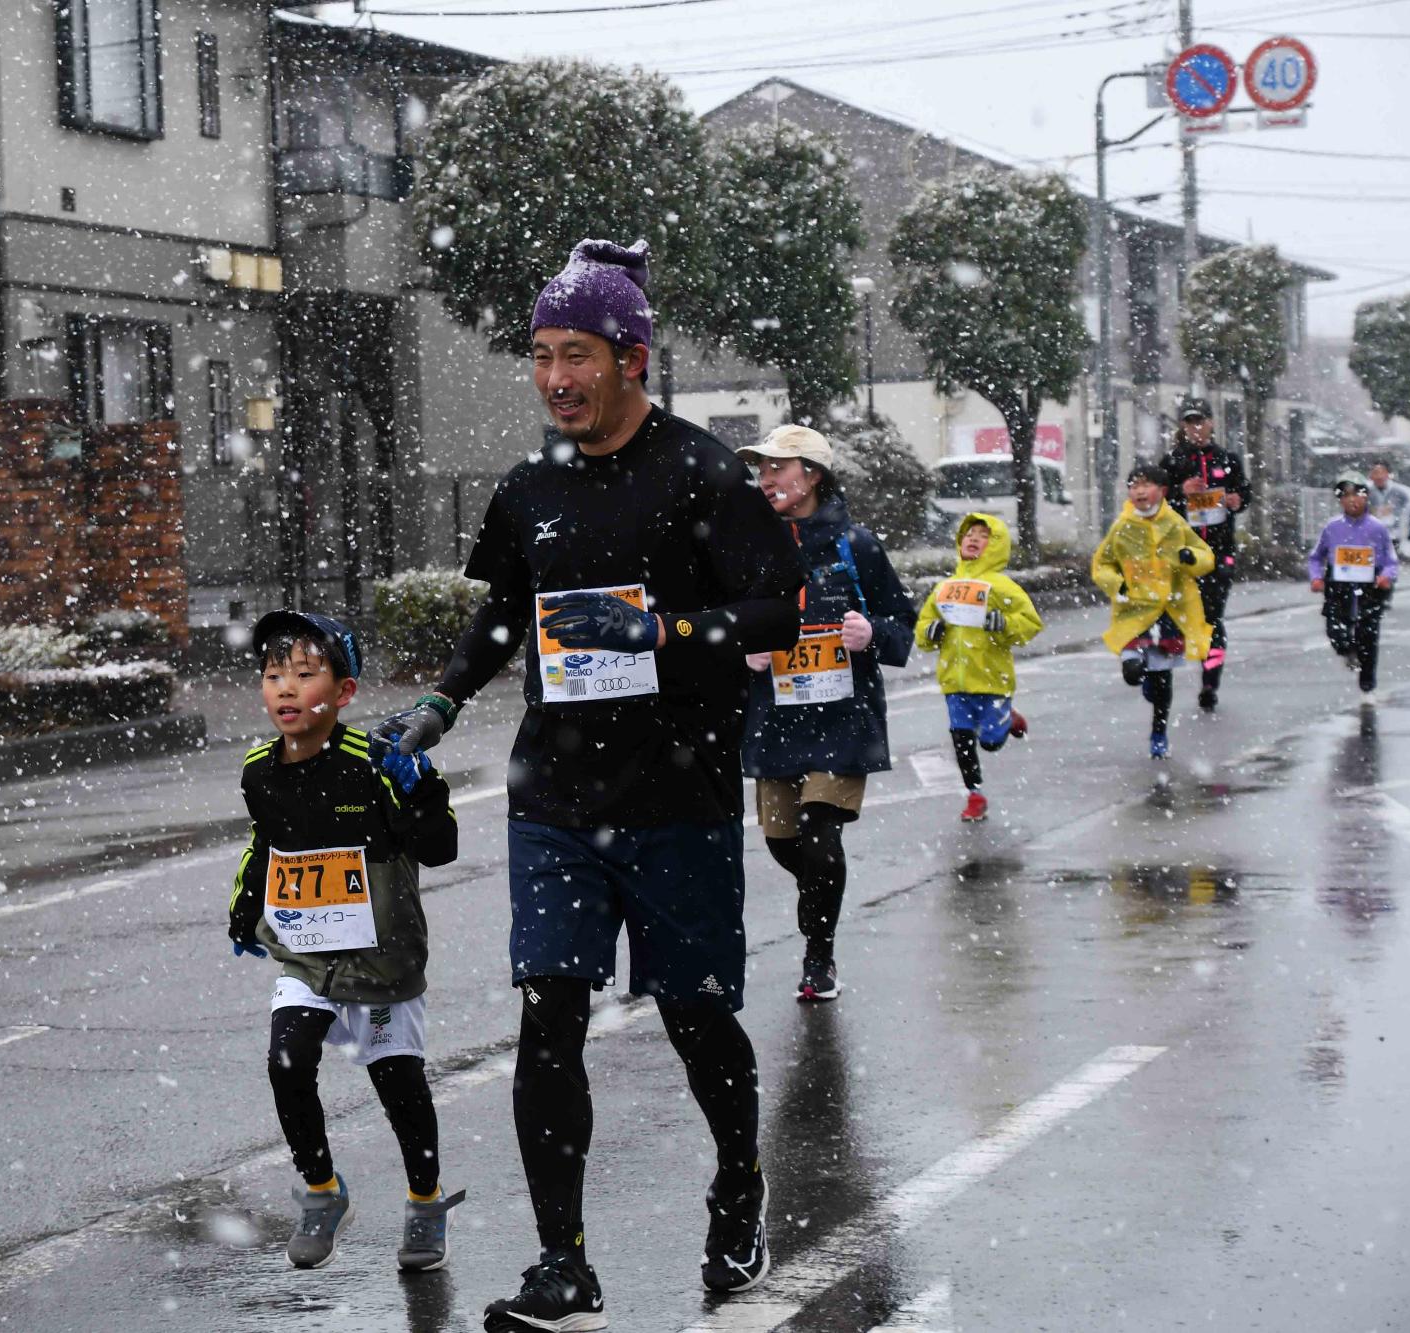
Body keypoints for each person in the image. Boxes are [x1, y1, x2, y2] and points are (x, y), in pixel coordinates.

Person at [371, 238, 806, 1330]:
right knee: (548, 1012)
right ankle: (562, 1264)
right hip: (557, 799)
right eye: (539, 355)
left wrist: (663, 627)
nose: (555, 376)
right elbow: (501, 612)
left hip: (680, 796)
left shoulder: (705, 474)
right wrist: (442, 702)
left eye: (575, 354)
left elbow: (777, 611)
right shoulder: (529, 489)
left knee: (695, 1018)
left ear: (630, 358)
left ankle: (738, 1187)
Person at [226, 610, 466, 1273]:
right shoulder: (259, 770)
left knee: (397, 1081)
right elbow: (265, 842)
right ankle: (323, 1190)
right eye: (274, 674)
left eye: (305, 674)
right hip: (305, 952)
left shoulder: (375, 764)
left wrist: (423, 786)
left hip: (381, 953)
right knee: (286, 1060)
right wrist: (246, 909)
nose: (286, 689)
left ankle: (425, 1200)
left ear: (344, 691)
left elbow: (440, 847)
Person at [736, 424, 915, 1003]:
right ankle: (821, 894)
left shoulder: (855, 545)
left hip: (842, 715)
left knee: (820, 839)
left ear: (812, 475)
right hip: (774, 717)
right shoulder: (747, 547)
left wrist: (872, 633)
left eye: (778, 469)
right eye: (760, 470)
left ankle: (819, 955)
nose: (765, 480)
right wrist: (745, 653)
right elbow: (719, 624)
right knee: (784, 844)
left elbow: (901, 626)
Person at [912, 513, 1044, 822]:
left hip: (992, 680)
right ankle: (975, 795)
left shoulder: (1001, 587)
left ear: (996, 545)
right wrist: (931, 632)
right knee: (962, 740)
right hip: (954, 681)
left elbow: (1030, 623)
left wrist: (1003, 624)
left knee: (990, 742)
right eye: (969, 534)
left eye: (983, 535)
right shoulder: (945, 587)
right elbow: (923, 627)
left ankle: (1007, 719)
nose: (973, 539)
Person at [1090, 464, 1215, 761]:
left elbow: (1205, 557)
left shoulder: (1175, 525)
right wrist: (1116, 584)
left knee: (1161, 685)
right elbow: (1101, 564)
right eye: (1134, 486)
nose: (1140, 491)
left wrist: (1190, 557)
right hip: (1133, 612)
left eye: (1146, 485)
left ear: (1163, 491)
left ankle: (1159, 731)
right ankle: (1139, 672)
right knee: (1133, 673)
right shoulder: (1122, 526)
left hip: (1168, 609)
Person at [1158, 397, 1249, 712]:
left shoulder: (1228, 459)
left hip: (1219, 552)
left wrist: (1237, 499)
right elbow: (1156, 503)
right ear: (1183, 427)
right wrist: (1182, 494)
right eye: (1189, 422)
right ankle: (1158, 678)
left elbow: (1244, 493)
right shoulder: (1172, 462)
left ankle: (1211, 680)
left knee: (1213, 619)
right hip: (1182, 554)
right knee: (1178, 618)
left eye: (1200, 421)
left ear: (1211, 423)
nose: (1196, 428)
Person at [1308, 471, 1400, 696]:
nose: (1352, 500)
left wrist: (1386, 576)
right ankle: (1347, 650)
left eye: (1356, 494)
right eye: (1346, 495)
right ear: (1340, 500)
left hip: (1370, 585)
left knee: (1368, 635)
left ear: (1365, 496)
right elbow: (1316, 557)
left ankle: (1367, 683)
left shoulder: (1377, 528)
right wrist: (1316, 577)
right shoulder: (1332, 528)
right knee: (1335, 630)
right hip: (1338, 584)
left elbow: (1391, 560)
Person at [1365, 462, 1410, 553]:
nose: (1379, 476)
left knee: (1391, 562)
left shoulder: (1402, 492)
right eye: (1375, 473)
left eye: (1382, 472)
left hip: (1395, 535)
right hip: (1372, 537)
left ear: (1388, 474)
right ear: (1371, 475)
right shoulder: (1365, 493)